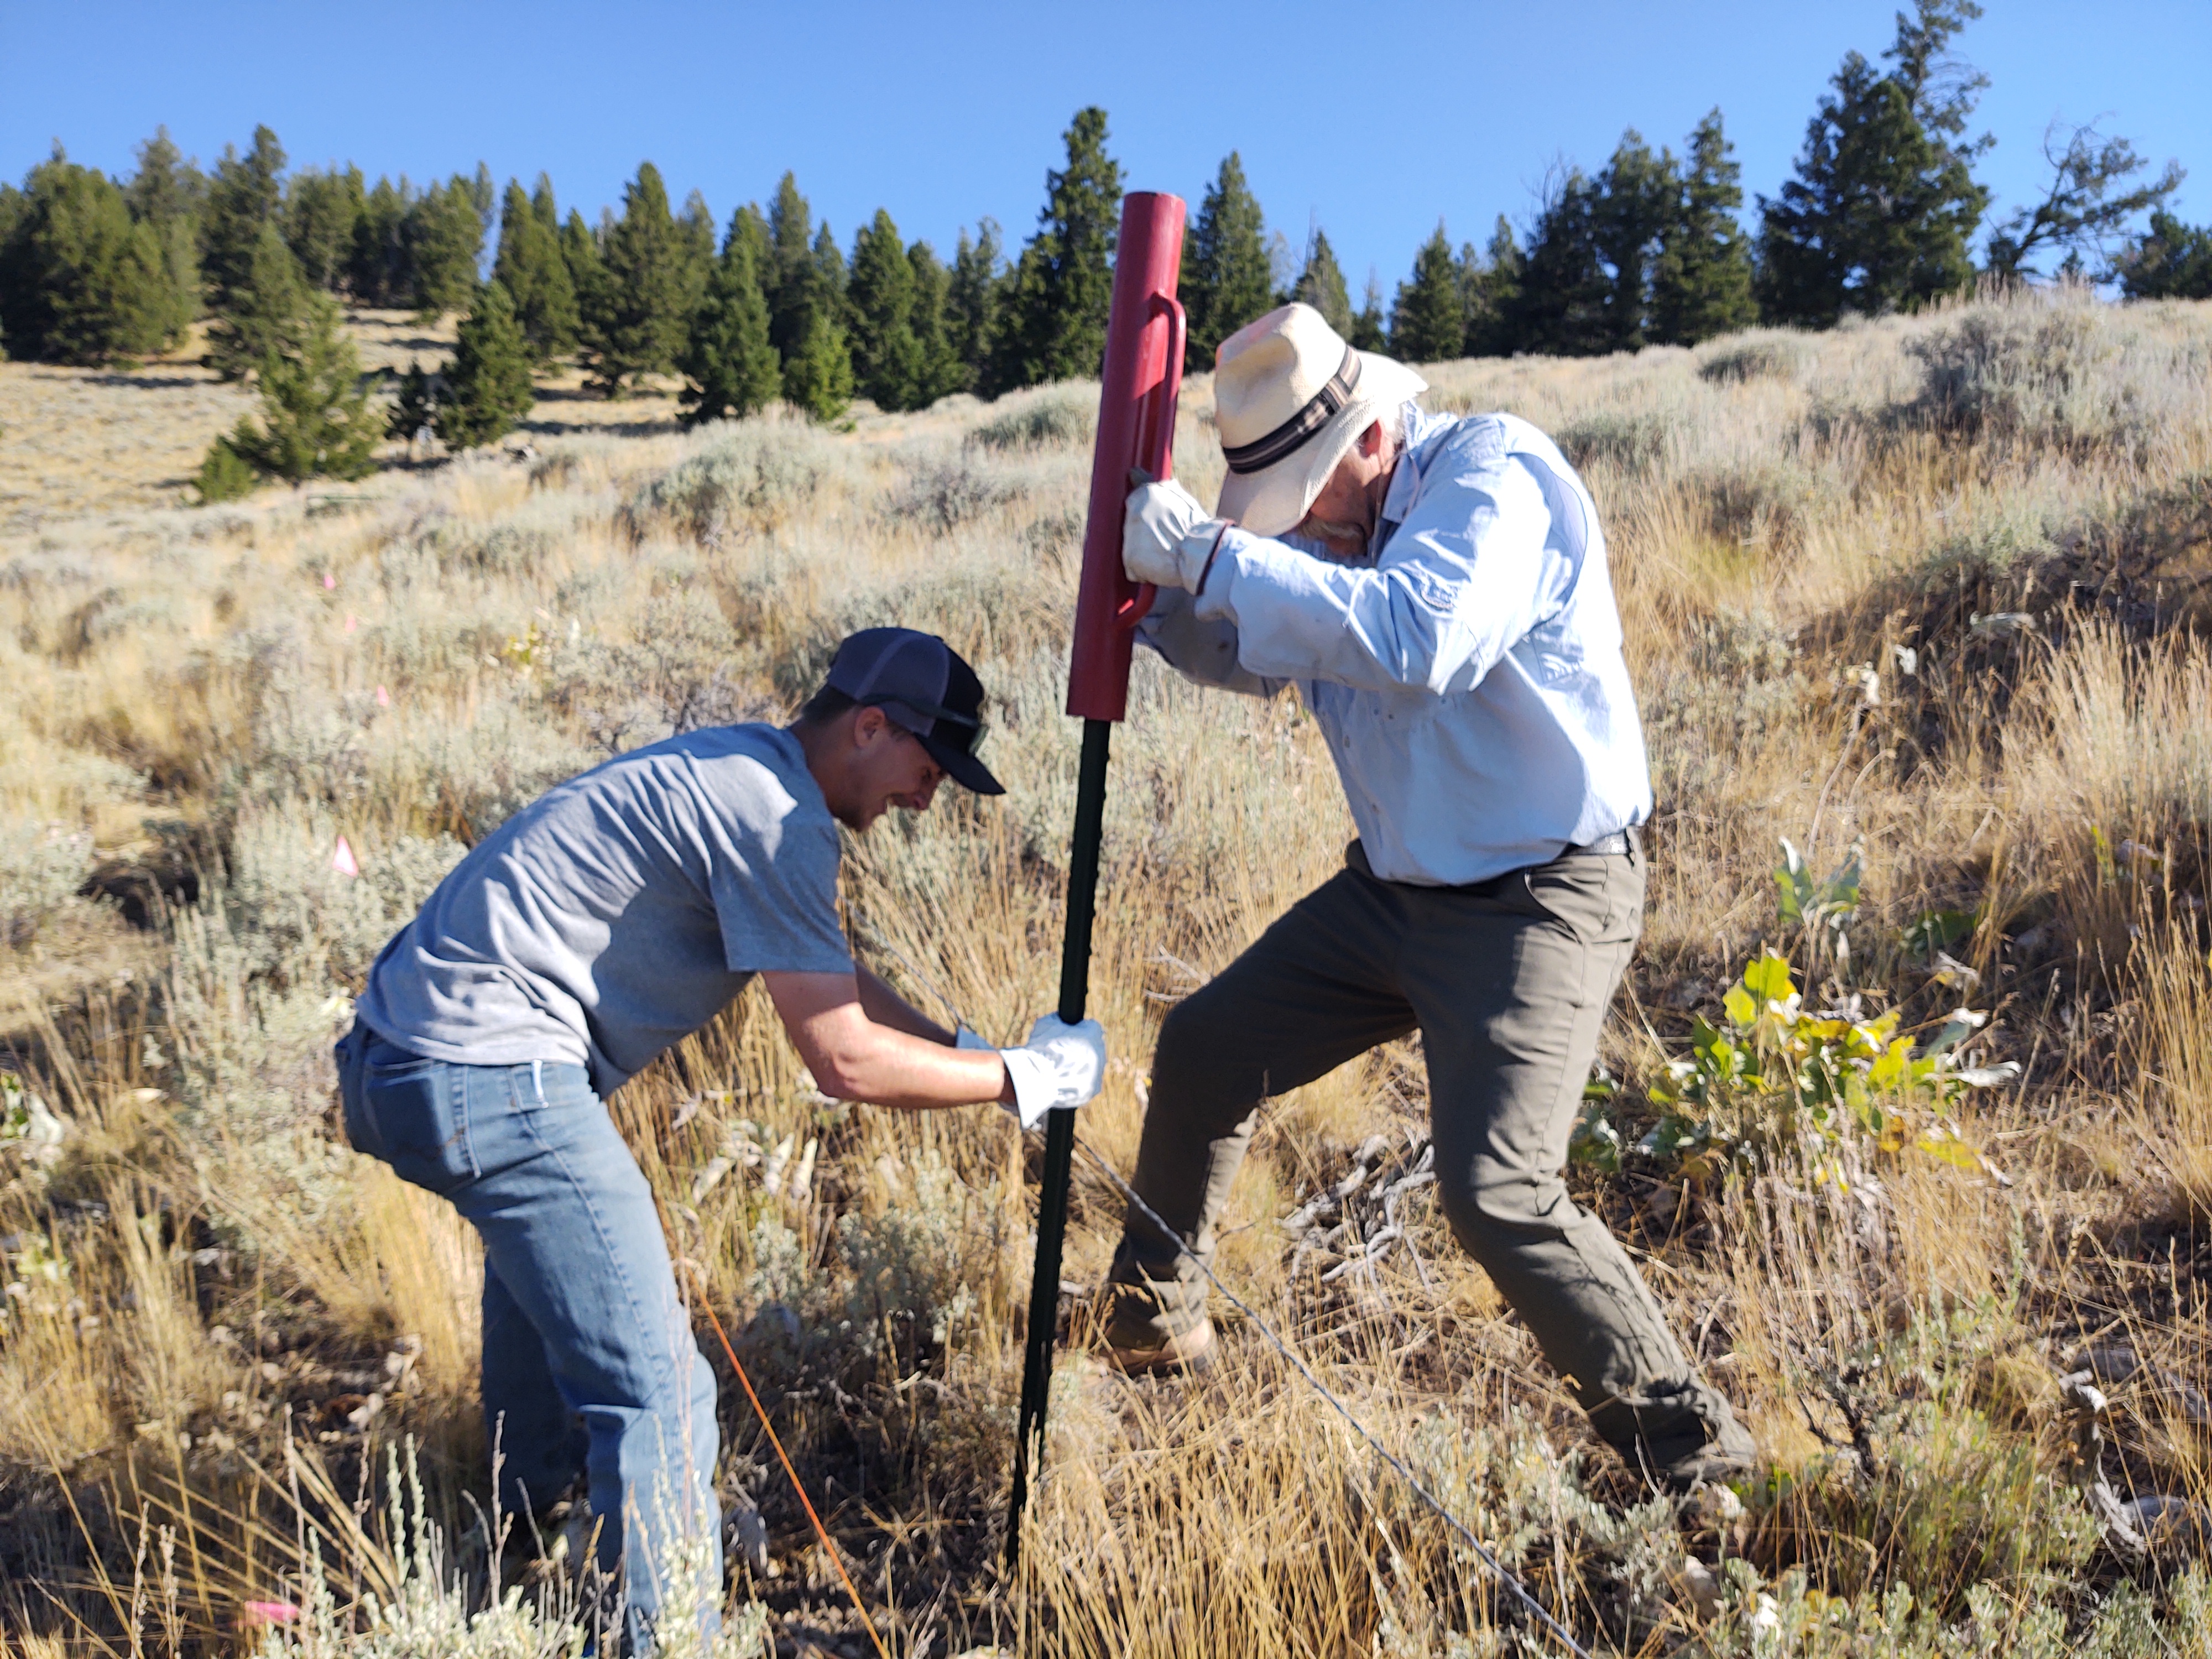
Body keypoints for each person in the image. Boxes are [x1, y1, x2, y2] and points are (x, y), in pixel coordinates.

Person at [334, 628, 1105, 1650]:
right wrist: (1022, 1081)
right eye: (928, 770)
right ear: (870, 727)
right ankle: (667, 1636)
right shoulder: (780, 816)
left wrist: (975, 1049)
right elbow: (845, 1062)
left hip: (402, 1060)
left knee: (540, 1282)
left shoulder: (748, 769)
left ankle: (531, 1528)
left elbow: (828, 976)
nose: (926, 800)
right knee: (658, 1393)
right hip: (484, 1072)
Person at [1111, 302, 1751, 1492]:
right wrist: (1152, 606)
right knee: (1204, 1047)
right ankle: (1153, 1328)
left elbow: (1416, 641)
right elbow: (1256, 651)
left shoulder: (1494, 476)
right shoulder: (1334, 530)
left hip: (1537, 896)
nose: (1296, 530)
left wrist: (1210, 555)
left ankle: (1698, 1465)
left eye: (1304, 496)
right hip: (1393, 897)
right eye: (1277, 514)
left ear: (1364, 438)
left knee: (1496, 1193)